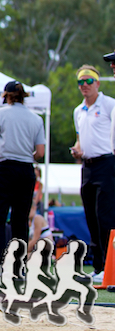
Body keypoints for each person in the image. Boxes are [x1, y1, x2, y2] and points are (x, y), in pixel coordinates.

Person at [0, 80, 45, 280]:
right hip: (26, 169)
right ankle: (18, 267)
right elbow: (41, 152)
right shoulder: (36, 119)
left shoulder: (0, 114)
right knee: (21, 220)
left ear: (7, 96)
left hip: (5, 167)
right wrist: (26, 155)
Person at [70, 63, 115, 285]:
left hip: (107, 163)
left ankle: (109, 266)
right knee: (91, 217)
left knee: (105, 216)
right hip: (87, 166)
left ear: (97, 83)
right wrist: (77, 149)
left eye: (88, 81)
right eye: (81, 82)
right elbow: (80, 139)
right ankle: (98, 266)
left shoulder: (108, 104)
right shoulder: (78, 110)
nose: (84, 85)